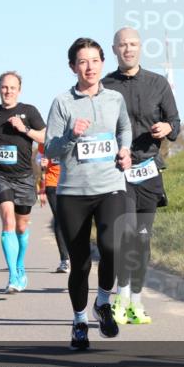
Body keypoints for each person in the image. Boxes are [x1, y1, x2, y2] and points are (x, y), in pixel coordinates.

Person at [45, 37, 132, 350]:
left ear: (102, 64)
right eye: (82, 62)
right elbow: (51, 149)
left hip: (111, 186)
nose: (89, 67)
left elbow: (124, 129)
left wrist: (125, 149)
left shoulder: (115, 99)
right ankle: (80, 321)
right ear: (73, 67)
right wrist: (71, 134)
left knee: (113, 246)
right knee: (80, 263)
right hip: (73, 192)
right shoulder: (62, 103)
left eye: (95, 60)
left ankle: (103, 302)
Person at [102, 27, 180, 324]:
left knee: (142, 241)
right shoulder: (105, 86)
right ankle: (121, 298)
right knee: (126, 234)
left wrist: (168, 128)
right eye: (123, 44)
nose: (128, 49)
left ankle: (136, 300)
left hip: (148, 170)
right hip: (118, 171)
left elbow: (175, 122)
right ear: (114, 49)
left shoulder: (158, 83)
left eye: (133, 44)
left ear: (141, 47)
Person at [0, 72, 46, 293]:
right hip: (0, 176)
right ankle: (13, 277)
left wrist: (24, 128)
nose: (8, 91)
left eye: (12, 87)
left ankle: (20, 265)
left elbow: (45, 137)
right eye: (4, 87)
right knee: (8, 220)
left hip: (24, 177)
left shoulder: (29, 111)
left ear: (19, 90)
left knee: (21, 226)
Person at [37, 143, 70, 273]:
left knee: (72, 220)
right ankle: (64, 260)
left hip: (72, 182)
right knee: (59, 219)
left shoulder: (73, 135)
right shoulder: (45, 140)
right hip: (53, 183)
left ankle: (77, 254)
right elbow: (39, 160)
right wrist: (42, 163)